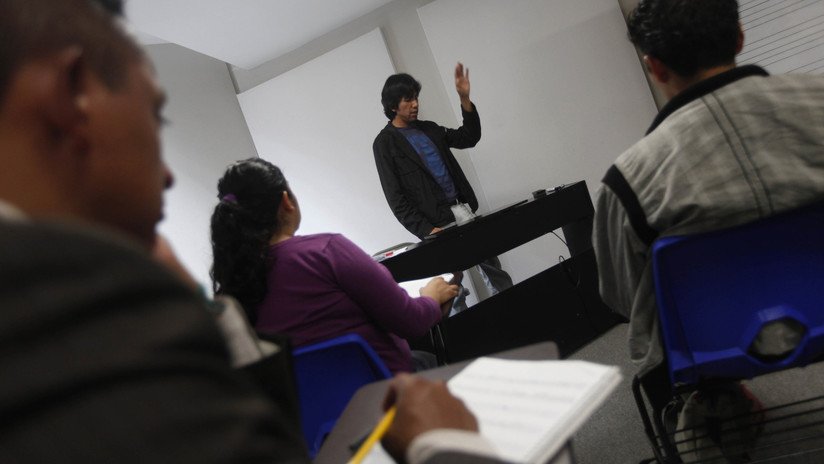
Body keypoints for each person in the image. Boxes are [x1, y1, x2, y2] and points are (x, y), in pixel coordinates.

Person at [0, 1, 498, 462]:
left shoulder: (210, 293)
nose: (167, 176)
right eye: (154, 117)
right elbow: (406, 314)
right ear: (70, 94)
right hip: (391, 407)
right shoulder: (96, 320)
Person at [593, 0, 824, 426]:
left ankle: (715, 413)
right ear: (739, 37)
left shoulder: (626, 182)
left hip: (709, 345)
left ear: (654, 67)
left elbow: (622, 297)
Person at [210, 158, 459, 374]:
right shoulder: (326, 251)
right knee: (430, 361)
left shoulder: (230, 291)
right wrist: (430, 297)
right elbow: (411, 321)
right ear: (286, 201)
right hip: (383, 393)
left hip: (308, 411)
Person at [373, 67, 512, 307]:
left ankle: (512, 309)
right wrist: (426, 229)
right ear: (393, 105)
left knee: (493, 269)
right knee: (451, 289)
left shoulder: (430, 128)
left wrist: (464, 99)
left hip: (462, 210)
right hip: (434, 224)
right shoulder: (385, 144)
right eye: (408, 99)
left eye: (416, 97)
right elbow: (395, 198)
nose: (415, 104)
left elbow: (469, 137)